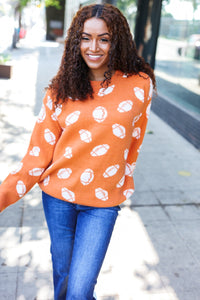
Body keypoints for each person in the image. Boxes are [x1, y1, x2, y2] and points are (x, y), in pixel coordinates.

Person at [0, 4, 156, 300]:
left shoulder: (139, 85)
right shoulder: (59, 90)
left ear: (117, 40)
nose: (93, 47)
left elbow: (134, 142)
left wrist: (120, 181)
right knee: (64, 277)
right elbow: (36, 158)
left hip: (102, 205)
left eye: (104, 39)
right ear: (76, 41)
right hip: (58, 200)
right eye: (85, 38)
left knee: (80, 290)